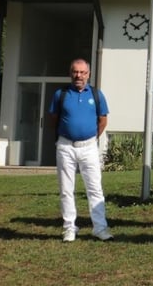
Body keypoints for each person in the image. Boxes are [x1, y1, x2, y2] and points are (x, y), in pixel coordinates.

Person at [47, 58, 112, 242]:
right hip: (65, 146)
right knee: (66, 189)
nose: (79, 76)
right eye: (75, 72)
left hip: (89, 147)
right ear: (70, 73)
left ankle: (100, 228)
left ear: (89, 74)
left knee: (95, 189)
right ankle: (69, 228)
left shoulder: (97, 95)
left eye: (83, 72)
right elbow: (54, 119)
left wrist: (89, 138)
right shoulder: (61, 94)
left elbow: (103, 121)